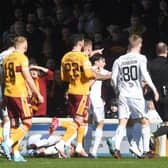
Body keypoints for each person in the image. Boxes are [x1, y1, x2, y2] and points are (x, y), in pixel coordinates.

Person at [55, 34, 111, 158]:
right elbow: (91, 75)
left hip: (71, 91)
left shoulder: (65, 57)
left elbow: (63, 77)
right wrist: (109, 75)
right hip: (82, 92)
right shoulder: (82, 57)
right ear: (80, 44)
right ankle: (62, 142)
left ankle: (79, 146)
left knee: (83, 119)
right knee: (78, 120)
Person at [106, 34, 159, 159]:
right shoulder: (141, 58)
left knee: (123, 122)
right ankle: (146, 151)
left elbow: (113, 79)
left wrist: (117, 91)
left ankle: (116, 145)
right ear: (139, 45)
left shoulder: (119, 60)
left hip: (123, 94)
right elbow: (145, 75)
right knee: (145, 121)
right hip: (136, 94)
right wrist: (154, 89)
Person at [1, 36, 44, 162]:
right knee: (27, 122)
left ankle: (16, 154)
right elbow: (28, 78)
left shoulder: (6, 58)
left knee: (14, 124)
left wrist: (4, 96)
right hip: (19, 93)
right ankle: (7, 144)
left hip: (8, 93)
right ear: (25, 46)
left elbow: (2, 79)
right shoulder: (22, 58)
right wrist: (37, 94)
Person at [88, 54, 111, 158]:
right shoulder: (98, 70)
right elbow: (112, 74)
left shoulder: (86, 68)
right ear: (96, 62)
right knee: (100, 124)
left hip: (86, 98)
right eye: (103, 61)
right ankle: (93, 151)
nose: (104, 63)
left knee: (87, 123)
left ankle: (84, 149)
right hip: (96, 99)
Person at [148, 42, 168, 138]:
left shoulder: (150, 64)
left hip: (156, 98)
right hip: (166, 96)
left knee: (166, 123)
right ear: (166, 51)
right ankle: (152, 136)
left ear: (156, 51)